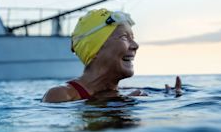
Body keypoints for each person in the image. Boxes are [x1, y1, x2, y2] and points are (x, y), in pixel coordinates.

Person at [42, 9, 182, 103]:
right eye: (124, 37)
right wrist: (121, 106)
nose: (135, 45)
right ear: (95, 49)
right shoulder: (60, 95)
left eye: (133, 38)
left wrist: (172, 97)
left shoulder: (125, 92)